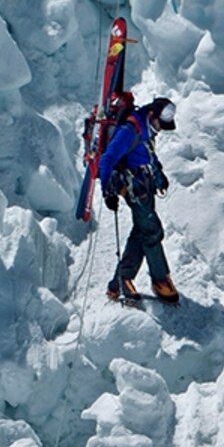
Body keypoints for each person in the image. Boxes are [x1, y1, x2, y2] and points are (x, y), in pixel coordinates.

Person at [94, 94, 178, 305]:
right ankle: (161, 280)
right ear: (152, 115)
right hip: (133, 188)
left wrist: (158, 175)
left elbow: (148, 153)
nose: (161, 130)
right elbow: (107, 159)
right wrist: (107, 191)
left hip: (145, 184)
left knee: (141, 231)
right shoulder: (130, 130)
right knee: (152, 231)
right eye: (160, 124)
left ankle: (120, 282)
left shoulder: (147, 128)